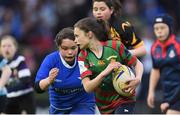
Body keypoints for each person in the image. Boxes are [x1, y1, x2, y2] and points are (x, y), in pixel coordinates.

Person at [74, 17, 143, 114]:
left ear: (89, 34)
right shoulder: (82, 56)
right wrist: (105, 72)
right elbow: (88, 87)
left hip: (124, 99)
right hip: (104, 105)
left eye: (77, 36)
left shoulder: (115, 46)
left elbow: (137, 64)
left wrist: (138, 79)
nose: (75, 41)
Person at [34, 27, 95, 114]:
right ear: (58, 47)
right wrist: (49, 80)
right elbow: (37, 88)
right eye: (65, 48)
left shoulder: (86, 58)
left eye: (73, 48)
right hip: (58, 108)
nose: (70, 52)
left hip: (83, 105)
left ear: (78, 46)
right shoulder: (51, 60)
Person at [147, 14, 180, 114]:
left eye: (162, 28)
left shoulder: (178, 46)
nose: (159, 31)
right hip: (168, 94)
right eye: (156, 28)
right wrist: (151, 91)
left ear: (170, 28)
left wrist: (170, 101)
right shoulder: (154, 48)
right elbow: (155, 69)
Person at [0, 35, 36, 114]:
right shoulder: (1, 64)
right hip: (10, 98)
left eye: (9, 46)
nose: (6, 48)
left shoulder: (20, 61)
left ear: (15, 48)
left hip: (24, 97)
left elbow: (25, 79)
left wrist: (7, 85)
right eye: (3, 46)